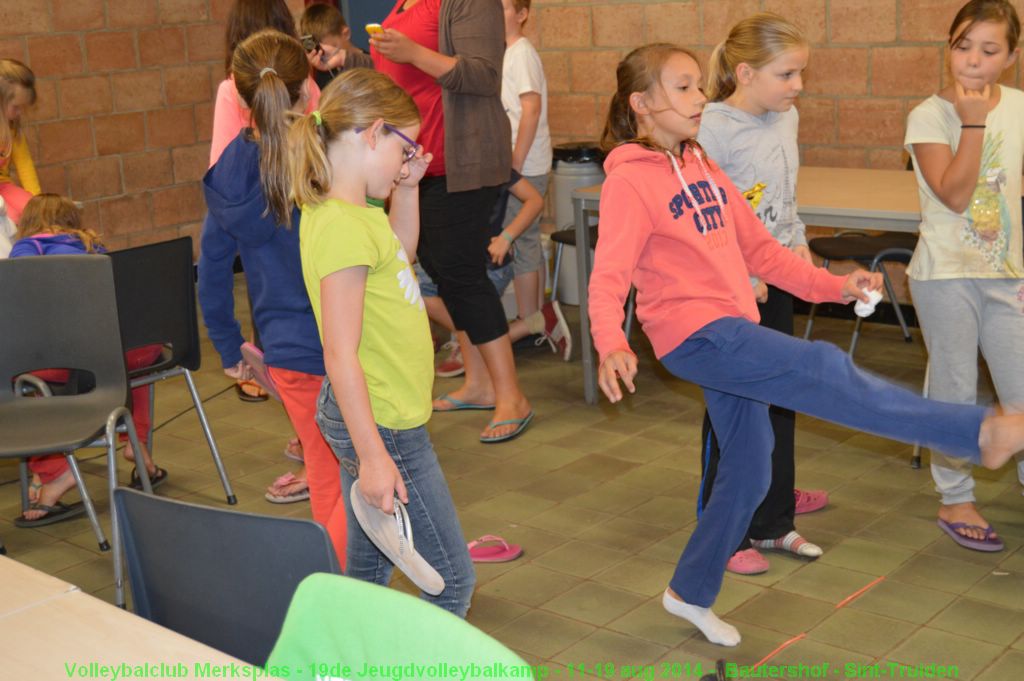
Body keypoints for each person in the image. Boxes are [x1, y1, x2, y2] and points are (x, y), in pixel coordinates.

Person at [590, 42, 1024, 647]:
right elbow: (609, 273)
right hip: (697, 334)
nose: (699, 98)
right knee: (823, 366)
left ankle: (689, 592)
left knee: (749, 466)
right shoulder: (629, 181)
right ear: (641, 103)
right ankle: (975, 433)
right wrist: (610, 339)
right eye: (683, 87)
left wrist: (835, 286)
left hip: (731, 326)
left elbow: (763, 253)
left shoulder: (701, 164)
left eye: (698, 85)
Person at [289, 68, 475, 615]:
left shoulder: (354, 213)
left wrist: (408, 189)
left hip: (381, 410)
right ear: (374, 134)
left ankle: (352, 653)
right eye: (405, 149)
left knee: (369, 574)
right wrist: (373, 457)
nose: (407, 162)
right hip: (382, 422)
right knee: (451, 582)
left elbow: (400, 254)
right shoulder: (343, 228)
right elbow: (339, 353)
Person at [197, 29, 347, 563]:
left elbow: (212, 272)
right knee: (356, 477)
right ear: (307, 88)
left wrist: (230, 347)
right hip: (343, 345)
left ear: (240, 99)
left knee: (326, 473)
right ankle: (343, 588)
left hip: (286, 354)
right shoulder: (326, 157)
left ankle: (338, 578)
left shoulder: (226, 174)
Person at [695, 14, 828, 576]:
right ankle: (724, 532)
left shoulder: (785, 117)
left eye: (801, 73)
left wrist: (798, 246)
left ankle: (773, 522)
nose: (798, 85)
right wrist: (736, 275)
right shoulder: (711, 129)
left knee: (779, 398)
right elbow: (701, 217)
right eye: (787, 74)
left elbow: (783, 198)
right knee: (733, 412)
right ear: (746, 73)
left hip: (775, 280)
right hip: (727, 292)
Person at [371, 0, 534, 443]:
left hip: (459, 161)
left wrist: (413, 52)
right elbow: (398, 73)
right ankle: (479, 384)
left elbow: (483, 75)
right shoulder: (405, 3)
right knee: (443, 275)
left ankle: (512, 396)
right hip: (417, 162)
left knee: (462, 276)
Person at [905, 0, 1024, 553]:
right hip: (946, 274)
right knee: (953, 388)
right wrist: (972, 121)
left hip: (1007, 273)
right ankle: (955, 496)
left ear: (1011, 57)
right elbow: (953, 195)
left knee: (1021, 388)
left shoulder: (1019, 107)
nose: (973, 60)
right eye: (962, 46)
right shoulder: (928, 115)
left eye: (989, 49)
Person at [9, 194, 165, 527]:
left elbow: (20, 303)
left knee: (18, 377)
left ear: (26, 224)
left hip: (73, 361)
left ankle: (55, 473)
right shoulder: (95, 246)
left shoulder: (27, 249)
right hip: (132, 352)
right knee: (127, 368)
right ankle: (136, 444)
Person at [498, 0, 569, 360]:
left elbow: (531, 109)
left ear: (522, 14)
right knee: (527, 238)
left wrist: (515, 160)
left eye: (502, 8)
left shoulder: (521, 53)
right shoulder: (507, 52)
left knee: (522, 240)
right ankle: (537, 314)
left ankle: (528, 319)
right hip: (524, 160)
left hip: (524, 162)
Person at [299, 1, 373, 90]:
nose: (327, 56)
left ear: (346, 34)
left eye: (332, 48)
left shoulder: (370, 64)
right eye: (321, 52)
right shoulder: (323, 71)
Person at [0, 59, 39, 223]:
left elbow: (25, 164)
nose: (20, 113)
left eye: (23, 108)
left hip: (3, 185)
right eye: (16, 107)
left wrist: (39, 201)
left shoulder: (12, 129)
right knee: (9, 218)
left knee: (33, 212)